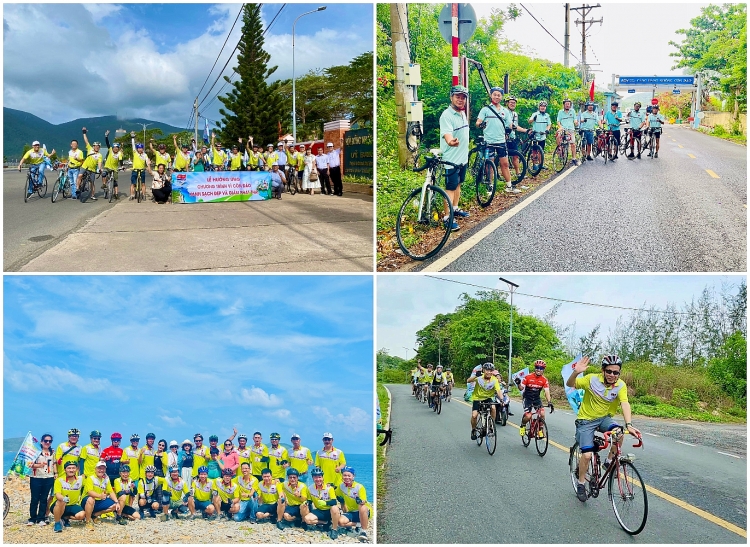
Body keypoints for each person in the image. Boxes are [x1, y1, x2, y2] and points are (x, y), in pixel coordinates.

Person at [566, 355, 642, 502]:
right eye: (609, 371)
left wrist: (629, 425)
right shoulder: (591, 379)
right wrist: (576, 372)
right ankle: (581, 484)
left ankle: (608, 462)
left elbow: (625, 403)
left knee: (619, 434)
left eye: (616, 372)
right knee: (587, 455)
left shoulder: (620, 385)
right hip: (585, 420)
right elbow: (571, 384)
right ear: (603, 370)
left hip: (603, 419)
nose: (612, 375)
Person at [440, 85, 471, 232]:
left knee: (458, 184)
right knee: (450, 188)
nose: (460, 99)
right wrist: (450, 141)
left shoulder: (462, 113)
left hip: (462, 158)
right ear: (451, 97)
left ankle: (455, 208)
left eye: (463, 97)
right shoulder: (447, 115)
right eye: (458, 96)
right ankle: (447, 217)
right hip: (451, 159)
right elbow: (447, 134)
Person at [476, 87, 514, 194]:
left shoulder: (505, 111)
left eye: (499, 95)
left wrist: (509, 130)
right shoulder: (485, 109)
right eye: (495, 94)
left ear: (501, 97)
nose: (497, 97)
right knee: (490, 164)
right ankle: (490, 185)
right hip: (489, 141)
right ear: (491, 95)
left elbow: (509, 124)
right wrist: (480, 124)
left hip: (501, 141)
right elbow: (478, 122)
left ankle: (509, 185)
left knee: (505, 164)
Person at [515, 359, 554, 437]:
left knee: (542, 413)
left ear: (543, 370)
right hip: (527, 398)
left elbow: (547, 391)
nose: (539, 369)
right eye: (537, 367)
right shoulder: (528, 377)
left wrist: (549, 402)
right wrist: (518, 384)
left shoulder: (544, 380)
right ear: (535, 368)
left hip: (536, 399)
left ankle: (540, 429)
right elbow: (521, 388)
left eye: (541, 368)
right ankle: (523, 425)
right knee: (528, 416)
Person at [468, 363, 503, 440]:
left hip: (488, 398)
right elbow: (468, 380)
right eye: (487, 370)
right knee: (474, 415)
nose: (489, 372)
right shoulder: (479, 378)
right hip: (477, 398)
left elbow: (498, 390)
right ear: (484, 370)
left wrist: (501, 399)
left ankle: (491, 425)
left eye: (491, 371)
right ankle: (473, 430)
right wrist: (475, 376)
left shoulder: (494, 380)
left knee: (493, 408)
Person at [82, 461, 121, 531]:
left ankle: (94, 515)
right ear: (95, 469)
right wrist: (100, 496)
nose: (101, 470)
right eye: (99, 468)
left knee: (115, 506)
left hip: (99, 500)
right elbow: (89, 492)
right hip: (87, 501)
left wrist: (117, 502)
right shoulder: (90, 478)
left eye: (103, 468)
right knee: (91, 499)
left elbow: (111, 491)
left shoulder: (106, 478)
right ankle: (88, 521)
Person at [304, 466, 340, 539]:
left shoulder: (329, 488)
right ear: (313, 478)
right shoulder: (310, 488)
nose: (318, 479)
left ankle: (334, 529)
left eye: (319, 477)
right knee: (307, 519)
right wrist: (306, 502)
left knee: (335, 508)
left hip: (329, 511)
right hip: (319, 511)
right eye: (315, 477)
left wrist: (325, 503)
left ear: (323, 477)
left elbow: (334, 501)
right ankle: (327, 523)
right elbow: (309, 500)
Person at [28, 433, 56, 526]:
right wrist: (38, 465)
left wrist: (55, 473)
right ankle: (32, 518)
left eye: (50, 441)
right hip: (36, 477)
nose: (47, 442)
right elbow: (30, 464)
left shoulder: (52, 452)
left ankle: (41, 518)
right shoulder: (36, 451)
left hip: (48, 477)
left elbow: (54, 464)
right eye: (46, 441)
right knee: (35, 498)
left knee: (44, 499)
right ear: (41, 441)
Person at [335, 466, 370, 541]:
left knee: (362, 506)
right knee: (340, 522)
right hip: (351, 512)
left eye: (349, 475)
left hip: (364, 512)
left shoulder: (359, 487)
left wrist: (360, 501)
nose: (346, 477)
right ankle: (359, 524)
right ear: (342, 476)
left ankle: (363, 531)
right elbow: (335, 493)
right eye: (344, 475)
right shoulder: (341, 486)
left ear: (353, 476)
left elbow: (364, 501)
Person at [51, 461, 86, 533]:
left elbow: (90, 484)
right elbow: (57, 495)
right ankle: (57, 523)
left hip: (72, 505)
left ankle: (64, 518)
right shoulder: (59, 480)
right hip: (58, 505)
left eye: (73, 468)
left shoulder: (81, 479)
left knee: (81, 515)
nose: (71, 470)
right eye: (69, 468)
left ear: (77, 469)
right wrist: (63, 498)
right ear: (65, 470)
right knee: (61, 501)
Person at [505, 95, 528, 185]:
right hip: (503, 137)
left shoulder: (515, 114)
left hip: (512, 136)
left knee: (515, 156)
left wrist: (525, 130)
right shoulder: (503, 112)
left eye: (514, 103)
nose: (512, 104)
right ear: (507, 103)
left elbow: (515, 126)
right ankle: (504, 177)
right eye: (511, 102)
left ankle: (518, 173)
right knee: (504, 158)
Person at [79, 128, 104, 200]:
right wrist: (84, 133)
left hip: (92, 169)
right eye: (95, 146)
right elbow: (86, 141)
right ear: (93, 146)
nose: (97, 147)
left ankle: (92, 195)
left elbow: (99, 163)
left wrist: (99, 169)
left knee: (92, 182)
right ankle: (78, 188)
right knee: (80, 176)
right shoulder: (89, 149)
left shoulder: (99, 155)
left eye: (98, 147)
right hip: (85, 167)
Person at [528, 101, 552, 170]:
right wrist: (533, 119)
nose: (542, 108)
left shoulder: (547, 115)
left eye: (544, 107)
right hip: (535, 135)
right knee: (534, 151)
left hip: (543, 135)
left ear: (545, 108)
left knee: (541, 151)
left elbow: (549, 124)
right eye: (541, 106)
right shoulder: (535, 114)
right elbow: (529, 121)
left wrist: (547, 130)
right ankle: (534, 164)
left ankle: (540, 164)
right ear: (539, 107)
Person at [556, 98, 579, 165]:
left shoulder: (573, 111)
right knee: (558, 135)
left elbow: (575, 119)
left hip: (570, 129)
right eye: (566, 104)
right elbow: (558, 121)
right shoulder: (560, 112)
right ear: (564, 105)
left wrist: (576, 122)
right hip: (563, 129)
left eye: (568, 104)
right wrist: (560, 127)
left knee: (573, 144)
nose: (567, 105)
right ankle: (559, 149)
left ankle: (574, 158)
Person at [102, 130, 123, 198]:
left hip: (115, 168)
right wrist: (106, 136)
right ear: (113, 148)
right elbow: (107, 143)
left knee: (115, 181)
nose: (116, 149)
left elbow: (120, 160)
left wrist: (122, 166)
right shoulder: (110, 150)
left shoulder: (119, 153)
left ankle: (116, 194)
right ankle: (104, 184)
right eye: (115, 147)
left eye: (117, 148)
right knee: (104, 174)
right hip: (107, 166)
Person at [130, 132, 151, 200]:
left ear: (143, 149)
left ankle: (144, 194)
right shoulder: (135, 153)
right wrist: (133, 138)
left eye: (141, 148)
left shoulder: (145, 155)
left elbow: (147, 162)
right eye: (138, 148)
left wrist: (149, 167)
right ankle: (132, 195)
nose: (140, 149)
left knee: (143, 184)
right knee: (133, 184)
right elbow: (133, 145)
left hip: (142, 170)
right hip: (135, 170)